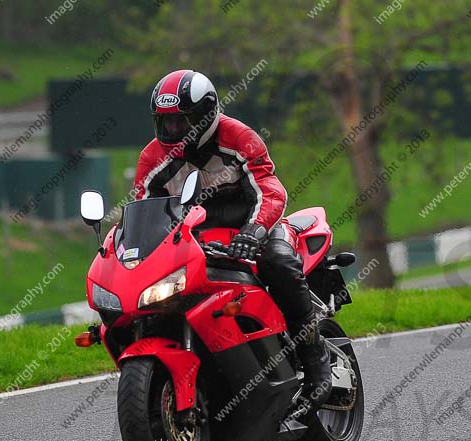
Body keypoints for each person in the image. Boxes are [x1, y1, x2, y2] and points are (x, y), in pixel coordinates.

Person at [133, 69, 331, 413]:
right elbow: (142, 210)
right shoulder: (153, 158)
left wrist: (254, 233)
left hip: (256, 228)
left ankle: (317, 364)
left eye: (183, 122)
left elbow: (270, 190)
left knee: (279, 264)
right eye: (166, 123)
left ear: (207, 115)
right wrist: (133, 251)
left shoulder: (238, 137)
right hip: (196, 241)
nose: (174, 131)